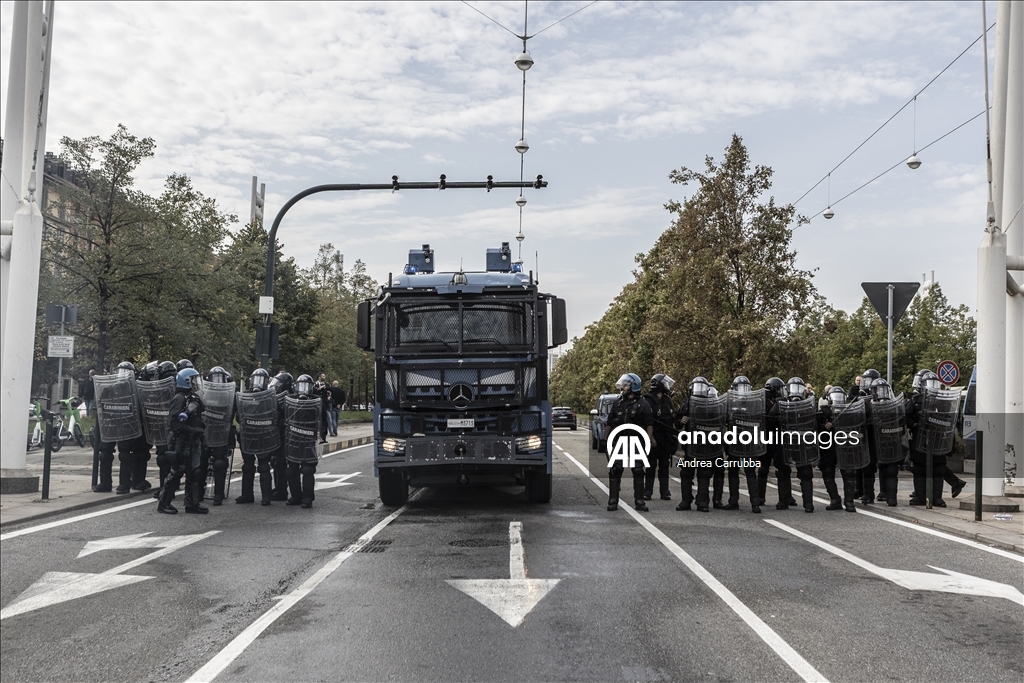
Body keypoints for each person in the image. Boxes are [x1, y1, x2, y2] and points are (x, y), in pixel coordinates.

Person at [158, 368, 208, 514]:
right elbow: (174, 423)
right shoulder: (179, 398)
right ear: (186, 381)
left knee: (195, 472)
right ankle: (163, 503)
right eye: (193, 380)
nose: (196, 383)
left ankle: (192, 504)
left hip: (193, 441)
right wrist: (192, 430)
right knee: (176, 472)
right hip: (181, 442)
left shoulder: (192, 397)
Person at [606, 373, 653, 512]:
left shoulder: (643, 404)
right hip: (619, 440)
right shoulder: (618, 403)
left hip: (636, 441)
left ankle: (640, 502)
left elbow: (649, 424)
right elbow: (609, 422)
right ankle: (613, 501)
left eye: (626, 384)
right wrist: (605, 439)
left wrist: (649, 439)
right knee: (615, 470)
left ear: (634, 386)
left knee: (638, 470)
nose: (623, 387)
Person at [770, 377, 817, 512]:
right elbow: (769, 423)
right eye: (793, 388)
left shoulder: (808, 404)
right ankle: (782, 500)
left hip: (802, 443)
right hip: (784, 443)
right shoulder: (780, 403)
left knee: (806, 473)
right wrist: (781, 418)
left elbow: (814, 424)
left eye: (798, 388)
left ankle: (808, 503)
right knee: (783, 472)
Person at [677, 376, 720, 513]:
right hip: (691, 446)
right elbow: (677, 421)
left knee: (704, 473)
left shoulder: (712, 404)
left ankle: (702, 501)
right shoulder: (688, 403)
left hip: (705, 445)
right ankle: (686, 500)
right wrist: (681, 420)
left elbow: (719, 423)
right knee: (686, 473)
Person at [236, 368, 276, 505]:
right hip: (248, 435)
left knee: (264, 466)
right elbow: (238, 416)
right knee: (247, 466)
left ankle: (266, 497)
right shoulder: (244, 396)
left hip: (263, 435)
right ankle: (247, 495)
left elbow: (275, 416)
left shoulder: (271, 397)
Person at [727, 375, 767, 513]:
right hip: (735, 442)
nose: (742, 391)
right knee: (734, 471)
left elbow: (761, 422)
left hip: (748, 443)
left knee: (750, 472)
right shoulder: (729, 403)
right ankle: (734, 501)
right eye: (740, 388)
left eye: (745, 388)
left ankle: (754, 503)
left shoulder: (755, 403)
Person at [201, 366, 235, 506]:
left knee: (217, 463)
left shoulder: (229, 395)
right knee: (203, 463)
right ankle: (202, 493)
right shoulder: (204, 394)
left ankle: (216, 495)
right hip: (208, 432)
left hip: (220, 433)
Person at [286, 374, 321, 508]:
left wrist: (320, 435)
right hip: (293, 438)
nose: (303, 389)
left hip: (309, 439)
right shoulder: (290, 400)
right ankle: (295, 496)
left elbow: (321, 422)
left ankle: (307, 497)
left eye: (306, 386)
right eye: (301, 386)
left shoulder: (317, 401)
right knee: (291, 470)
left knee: (307, 470)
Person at [643, 374, 676, 501]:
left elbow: (673, 419)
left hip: (666, 438)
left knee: (664, 465)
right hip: (654, 437)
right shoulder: (648, 401)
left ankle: (665, 491)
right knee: (651, 465)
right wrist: (650, 438)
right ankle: (647, 491)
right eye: (665, 383)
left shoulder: (667, 401)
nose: (667, 386)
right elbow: (646, 421)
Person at [268, 371, 294, 501]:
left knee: (280, 463)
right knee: (276, 461)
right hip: (279, 433)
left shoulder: (287, 398)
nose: (276, 385)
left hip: (285, 434)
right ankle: (279, 487)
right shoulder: (279, 396)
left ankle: (282, 490)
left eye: (278, 383)